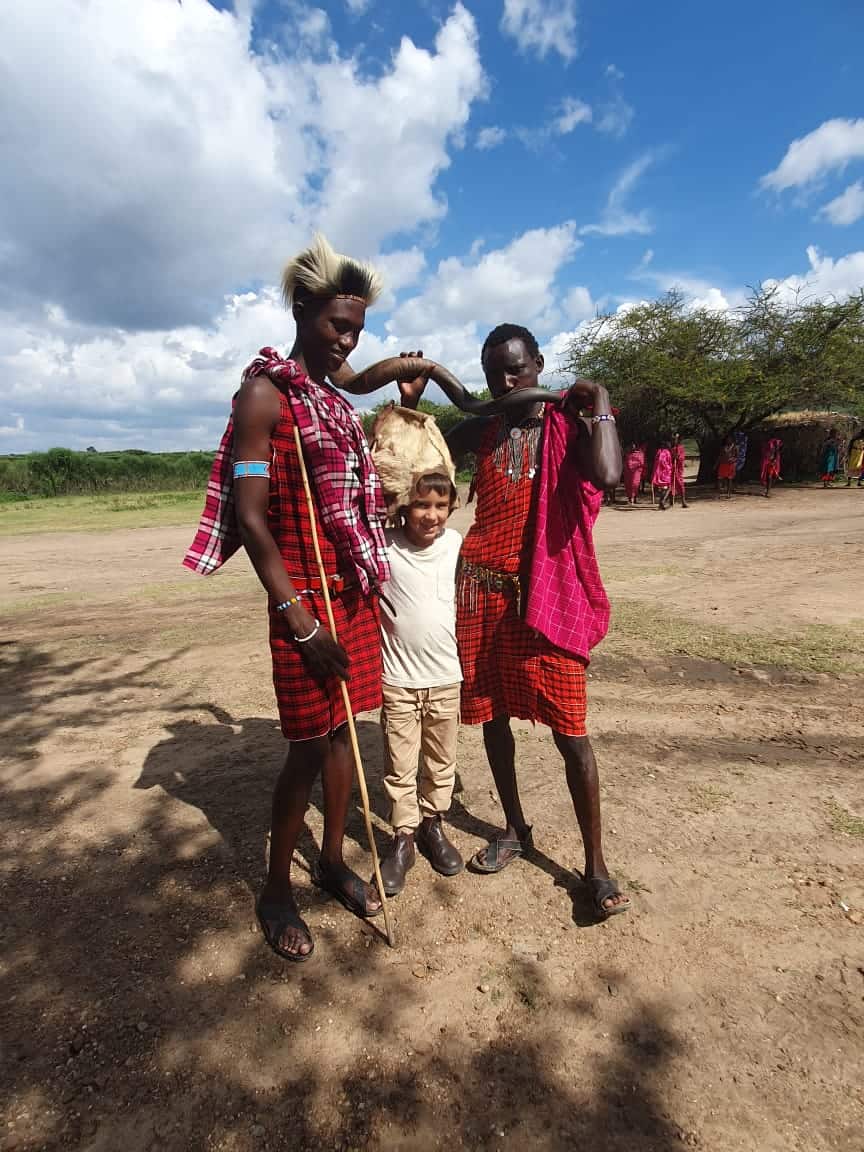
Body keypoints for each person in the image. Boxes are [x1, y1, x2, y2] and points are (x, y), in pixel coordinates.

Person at [184, 235, 414, 962]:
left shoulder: (332, 402)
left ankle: (333, 862)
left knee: (344, 731)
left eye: (357, 329)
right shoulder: (265, 396)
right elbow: (252, 519)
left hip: (348, 592)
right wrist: (299, 619)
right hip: (302, 600)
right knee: (307, 746)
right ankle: (277, 888)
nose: (348, 339)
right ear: (302, 312)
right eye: (337, 325)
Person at [438, 323, 629, 920]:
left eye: (516, 369)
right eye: (494, 373)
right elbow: (431, 448)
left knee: (571, 731)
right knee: (492, 718)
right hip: (481, 594)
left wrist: (599, 402)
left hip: (545, 599)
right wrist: (415, 396)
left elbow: (609, 475)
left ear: (539, 364)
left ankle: (595, 867)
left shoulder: (569, 425)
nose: (506, 382)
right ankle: (514, 827)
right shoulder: (486, 428)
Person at [373, 466, 464, 895]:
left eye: (441, 505)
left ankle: (433, 824)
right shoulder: (384, 545)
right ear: (404, 507)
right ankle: (403, 838)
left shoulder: (455, 544)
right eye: (422, 505)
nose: (432, 515)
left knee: (441, 761)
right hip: (398, 680)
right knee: (400, 765)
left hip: (446, 677)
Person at [651, 439, 673, 510]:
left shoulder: (658, 452)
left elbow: (656, 463)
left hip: (658, 473)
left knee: (662, 488)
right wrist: (669, 468)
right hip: (665, 473)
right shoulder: (667, 452)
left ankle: (661, 504)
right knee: (668, 488)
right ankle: (663, 501)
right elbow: (667, 462)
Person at [670, 432, 689, 508]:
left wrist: (677, 457)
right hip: (671, 469)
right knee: (670, 485)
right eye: (673, 439)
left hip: (678, 469)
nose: (674, 440)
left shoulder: (680, 448)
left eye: (676, 439)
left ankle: (683, 502)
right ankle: (671, 502)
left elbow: (682, 458)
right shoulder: (670, 448)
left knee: (680, 485)